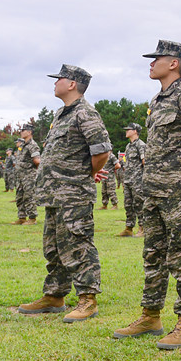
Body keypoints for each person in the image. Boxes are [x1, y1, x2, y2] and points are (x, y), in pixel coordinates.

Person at [113, 39, 181, 349]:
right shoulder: (157, 101)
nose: (151, 62)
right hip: (153, 190)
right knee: (153, 254)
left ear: (174, 63)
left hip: (178, 191)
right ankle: (150, 315)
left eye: (157, 57)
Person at [17, 65, 112, 322]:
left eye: (59, 78)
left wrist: (84, 174)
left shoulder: (86, 113)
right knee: (54, 247)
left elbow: (102, 151)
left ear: (72, 84)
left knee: (78, 245)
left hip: (74, 194)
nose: (55, 82)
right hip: (54, 194)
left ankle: (88, 299)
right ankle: (54, 295)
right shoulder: (61, 113)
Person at [119, 123, 147, 237]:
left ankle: (142, 228)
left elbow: (145, 162)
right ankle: (129, 228)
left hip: (138, 180)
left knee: (139, 203)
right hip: (128, 179)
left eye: (128, 129)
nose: (126, 131)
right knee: (128, 204)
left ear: (135, 131)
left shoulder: (141, 145)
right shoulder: (128, 146)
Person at [13, 125, 41, 225]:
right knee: (20, 197)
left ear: (29, 132)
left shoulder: (33, 145)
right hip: (20, 176)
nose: (21, 132)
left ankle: (32, 218)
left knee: (29, 196)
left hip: (29, 176)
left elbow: (37, 160)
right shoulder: (22, 145)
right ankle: (22, 217)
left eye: (23, 130)